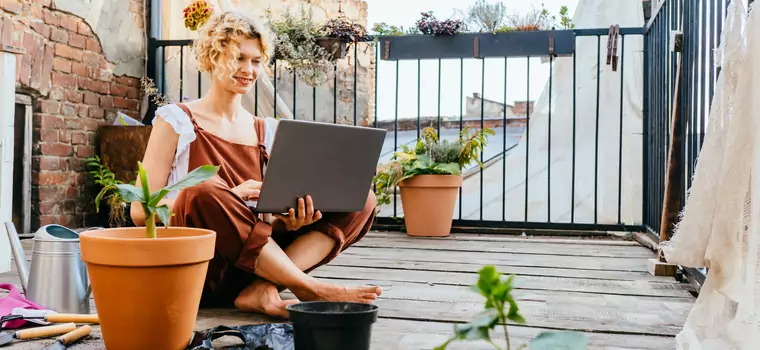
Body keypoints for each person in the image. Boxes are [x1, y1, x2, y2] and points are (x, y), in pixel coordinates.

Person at [130, 11, 382, 318]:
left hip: (254, 267)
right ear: (212, 56)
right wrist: (230, 197)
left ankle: (263, 288)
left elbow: (263, 223)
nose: (248, 70)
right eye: (238, 58)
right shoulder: (176, 121)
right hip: (204, 269)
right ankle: (308, 286)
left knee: (362, 198)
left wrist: (289, 220)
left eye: (256, 61)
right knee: (203, 190)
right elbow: (140, 210)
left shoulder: (268, 131)